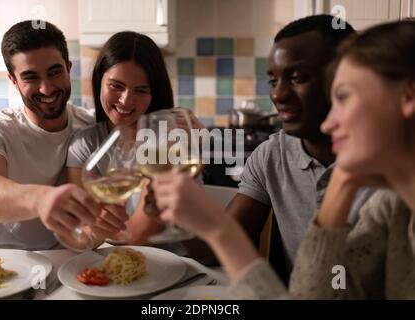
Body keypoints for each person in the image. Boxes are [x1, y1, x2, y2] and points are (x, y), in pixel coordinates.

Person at [152, 20, 415, 299]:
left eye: (344, 96)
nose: (277, 95)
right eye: (273, 80)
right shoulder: (375, 189)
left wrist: (218, 229)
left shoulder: (386, 184)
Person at [187, 15, 372, 282]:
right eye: (273, 81)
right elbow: (218, 250)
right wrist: (178, 214)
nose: (278, 95)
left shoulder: (388, 160)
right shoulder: (272, 155)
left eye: (296, 77)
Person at [0, 20, 126, 251]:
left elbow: (144, 139)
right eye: (31, 77)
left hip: (68, 260)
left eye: (55, 72)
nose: (46, 89)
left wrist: (182, 130)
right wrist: (41, 199)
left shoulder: (92, 126)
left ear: (68, 68)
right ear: (13, 81)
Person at [67, 31, 200, 246]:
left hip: (177, 265)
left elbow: (139, 236)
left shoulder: (169, 140)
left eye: (140, 90)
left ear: (153, 94)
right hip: (110, 267)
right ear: (99, 80)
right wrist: (91, 230)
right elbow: (80, 233)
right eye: (116, 86)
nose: (126, 100)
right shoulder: (83, 144)